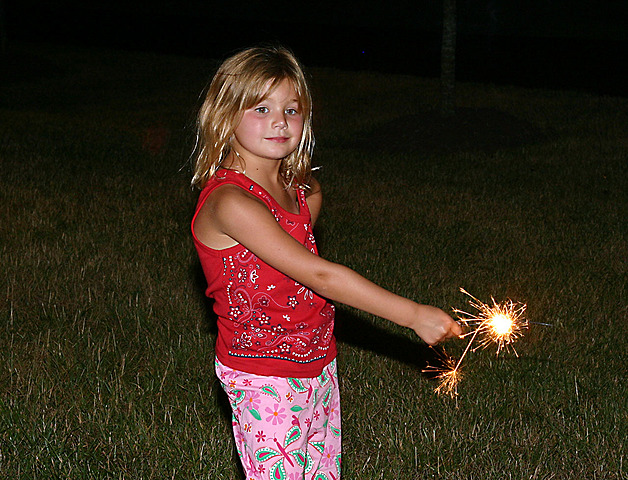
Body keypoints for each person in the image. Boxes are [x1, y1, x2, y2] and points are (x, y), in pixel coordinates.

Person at [191, 45, 462, 480]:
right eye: (261, 108)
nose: (280, 121)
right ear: (225, 115)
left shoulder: (296, 188)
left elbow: (305, 208)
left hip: (316, 360)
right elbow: (318, 274)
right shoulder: (230, 203)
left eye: (292, 109)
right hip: (262, 373)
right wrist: (412, 315)